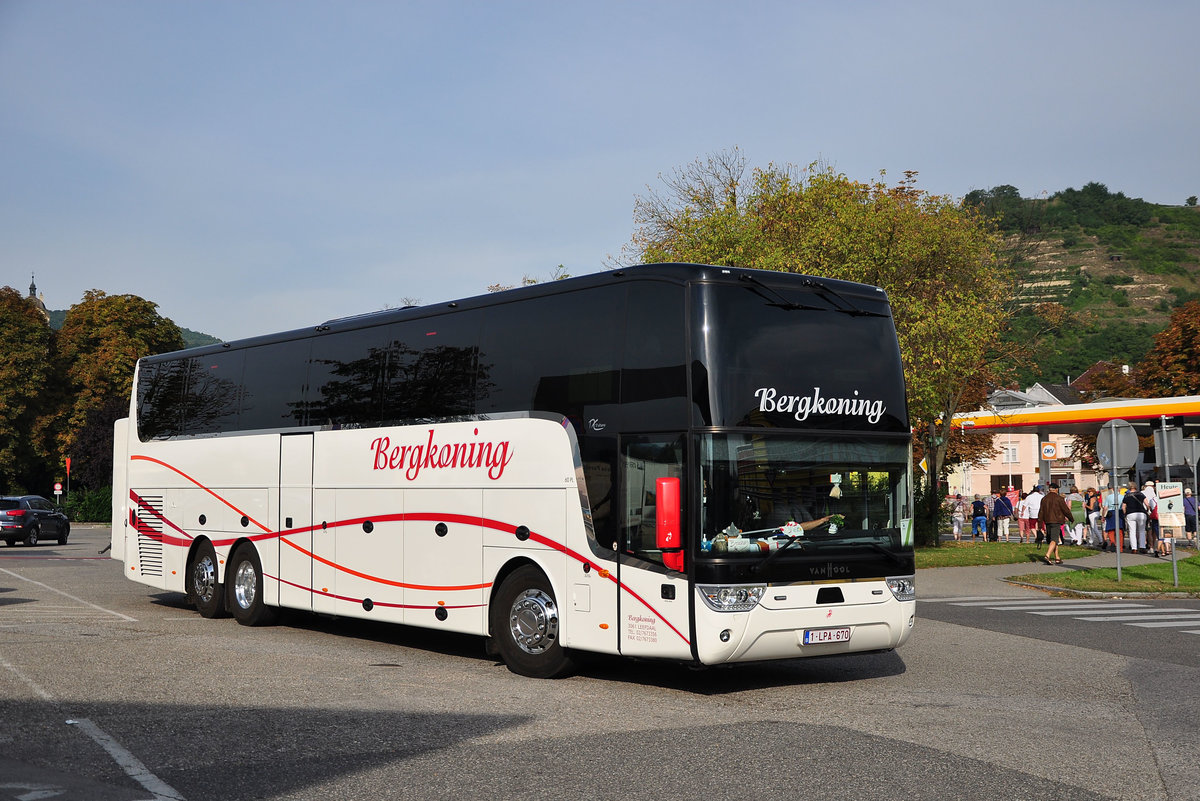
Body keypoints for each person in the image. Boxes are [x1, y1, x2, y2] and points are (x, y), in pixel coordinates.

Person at [1037, 484, 1074, 565]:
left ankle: (1057, 557)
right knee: (1054, 539)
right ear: (1056, 489)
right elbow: (1066, 510)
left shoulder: (1044, 499)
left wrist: (1040, 524)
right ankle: (1047, 555)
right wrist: (1071, 518)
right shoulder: (1059, 499)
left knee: (1053, 540)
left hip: (1047, 521)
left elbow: (1041, 512)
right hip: (1056, 521)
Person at [1121, 482, 1149, 554]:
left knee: (1132, 531)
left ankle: (1134, 548)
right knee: (1142, 531)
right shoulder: (1141, 494)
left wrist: (1125, 514)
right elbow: (1147, 504)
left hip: (1130, 514)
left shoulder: (1126, 496)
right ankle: (1142, 547)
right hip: (1141, 513)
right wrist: (1147, 510)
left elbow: (1123, 507)